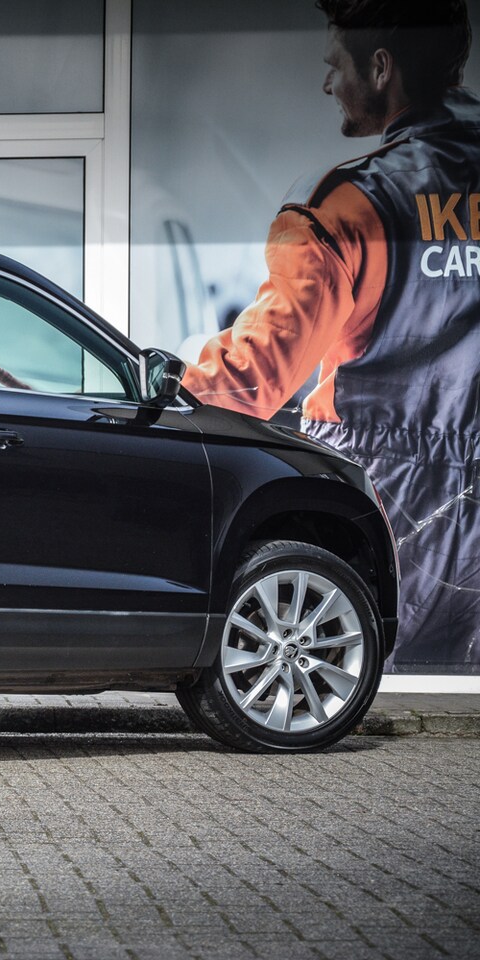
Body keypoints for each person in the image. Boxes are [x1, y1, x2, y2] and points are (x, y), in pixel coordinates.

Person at [183, 0, 478, 672]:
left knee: (345, 671)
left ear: (381, 69)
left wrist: (124, 397)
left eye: (334, 65)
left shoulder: (350, 205)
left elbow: (251, 380)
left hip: (390, 495)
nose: (326, 84)